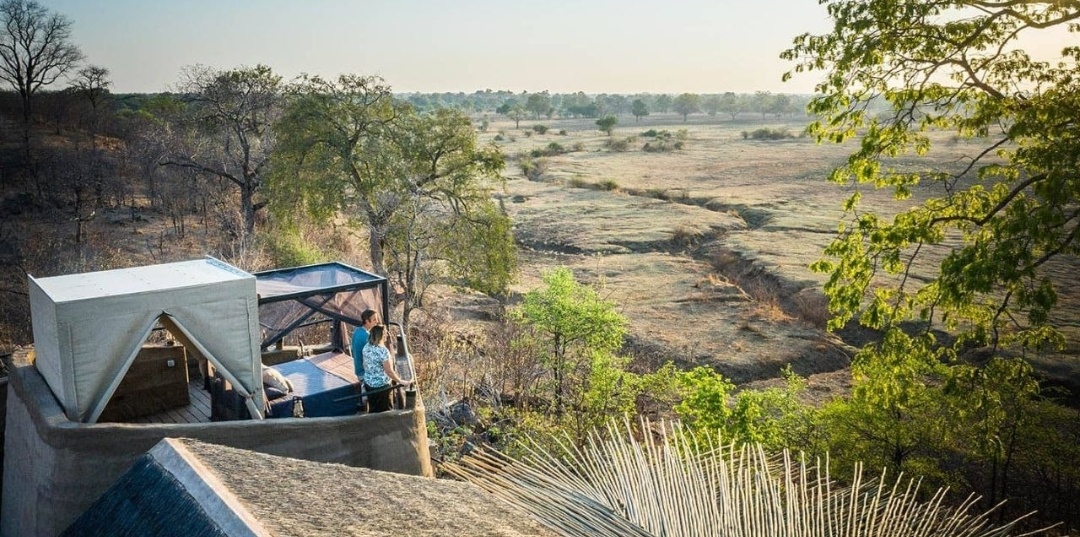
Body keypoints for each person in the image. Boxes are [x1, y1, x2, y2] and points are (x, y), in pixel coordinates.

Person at [362, 324, 410, 413]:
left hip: (369, 384)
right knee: (386, 411)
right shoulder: (383, 351)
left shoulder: (366, 347)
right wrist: (400, 381)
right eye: (385, 333)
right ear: (380, 335)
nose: (387, 335)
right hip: (382, 387)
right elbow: (389, 371)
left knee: (373, 409)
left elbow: (365, 364)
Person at [351, 309, 378, 380]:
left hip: (358, 371)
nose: (377, 322)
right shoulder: (367, 336)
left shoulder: (357, 331)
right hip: (365, 374)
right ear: (367, 321)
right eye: (374, 320)